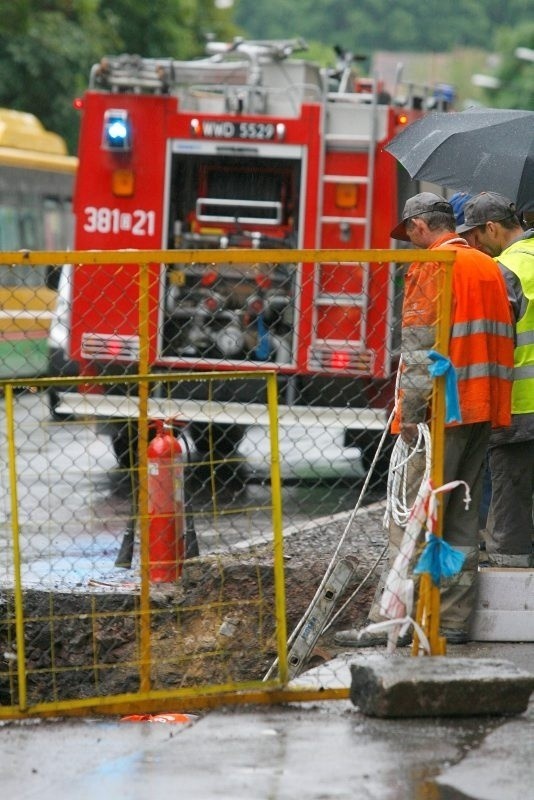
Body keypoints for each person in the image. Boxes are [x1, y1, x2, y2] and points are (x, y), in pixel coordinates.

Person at [335, 192, 514, 647]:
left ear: (419, 225)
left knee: (414, 516)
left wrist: (411, 415)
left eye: (409, 234)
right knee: (459, 522)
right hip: (482, 409)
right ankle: (452, 619)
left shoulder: (433, 266)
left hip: (442, 411)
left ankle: (392, 619)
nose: (410, 243)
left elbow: (418, 348)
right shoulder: (491, 268)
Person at [457, 192, 534, 568]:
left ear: (491, 228)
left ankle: (512, 571)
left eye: (475, 236)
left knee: (511, 492)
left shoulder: (505, 268)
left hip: (520, 402)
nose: (473, 245)